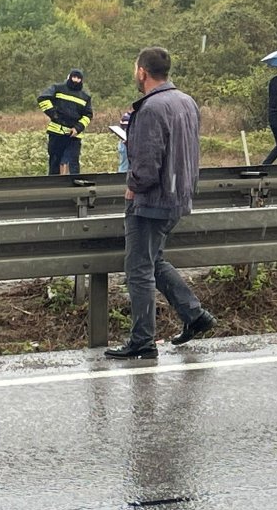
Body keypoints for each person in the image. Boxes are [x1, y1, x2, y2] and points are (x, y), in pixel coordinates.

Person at [105, 47, 216, 359]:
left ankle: (142, 340)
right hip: (178, 195)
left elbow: (149, 159)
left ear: (143, 71)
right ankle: (194, 315)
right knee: (152, 260)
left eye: (135, 69)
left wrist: (133, 187)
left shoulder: (151, 108)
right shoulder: (186, 102)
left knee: (138, 269)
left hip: (152, 198)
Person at [37, 68, 93, 175]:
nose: (76, 80)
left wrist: (78, 128)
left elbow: (88, 115)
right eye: (74, 77)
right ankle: (54, 188)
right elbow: (42, 98)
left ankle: (74, 188)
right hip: (56, 133)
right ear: (69, 77)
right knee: (55, 162)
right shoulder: (57, 88)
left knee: (73, 164)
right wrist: (54, 115)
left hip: (74, 136)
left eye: (78, 78)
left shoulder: (85, 97)